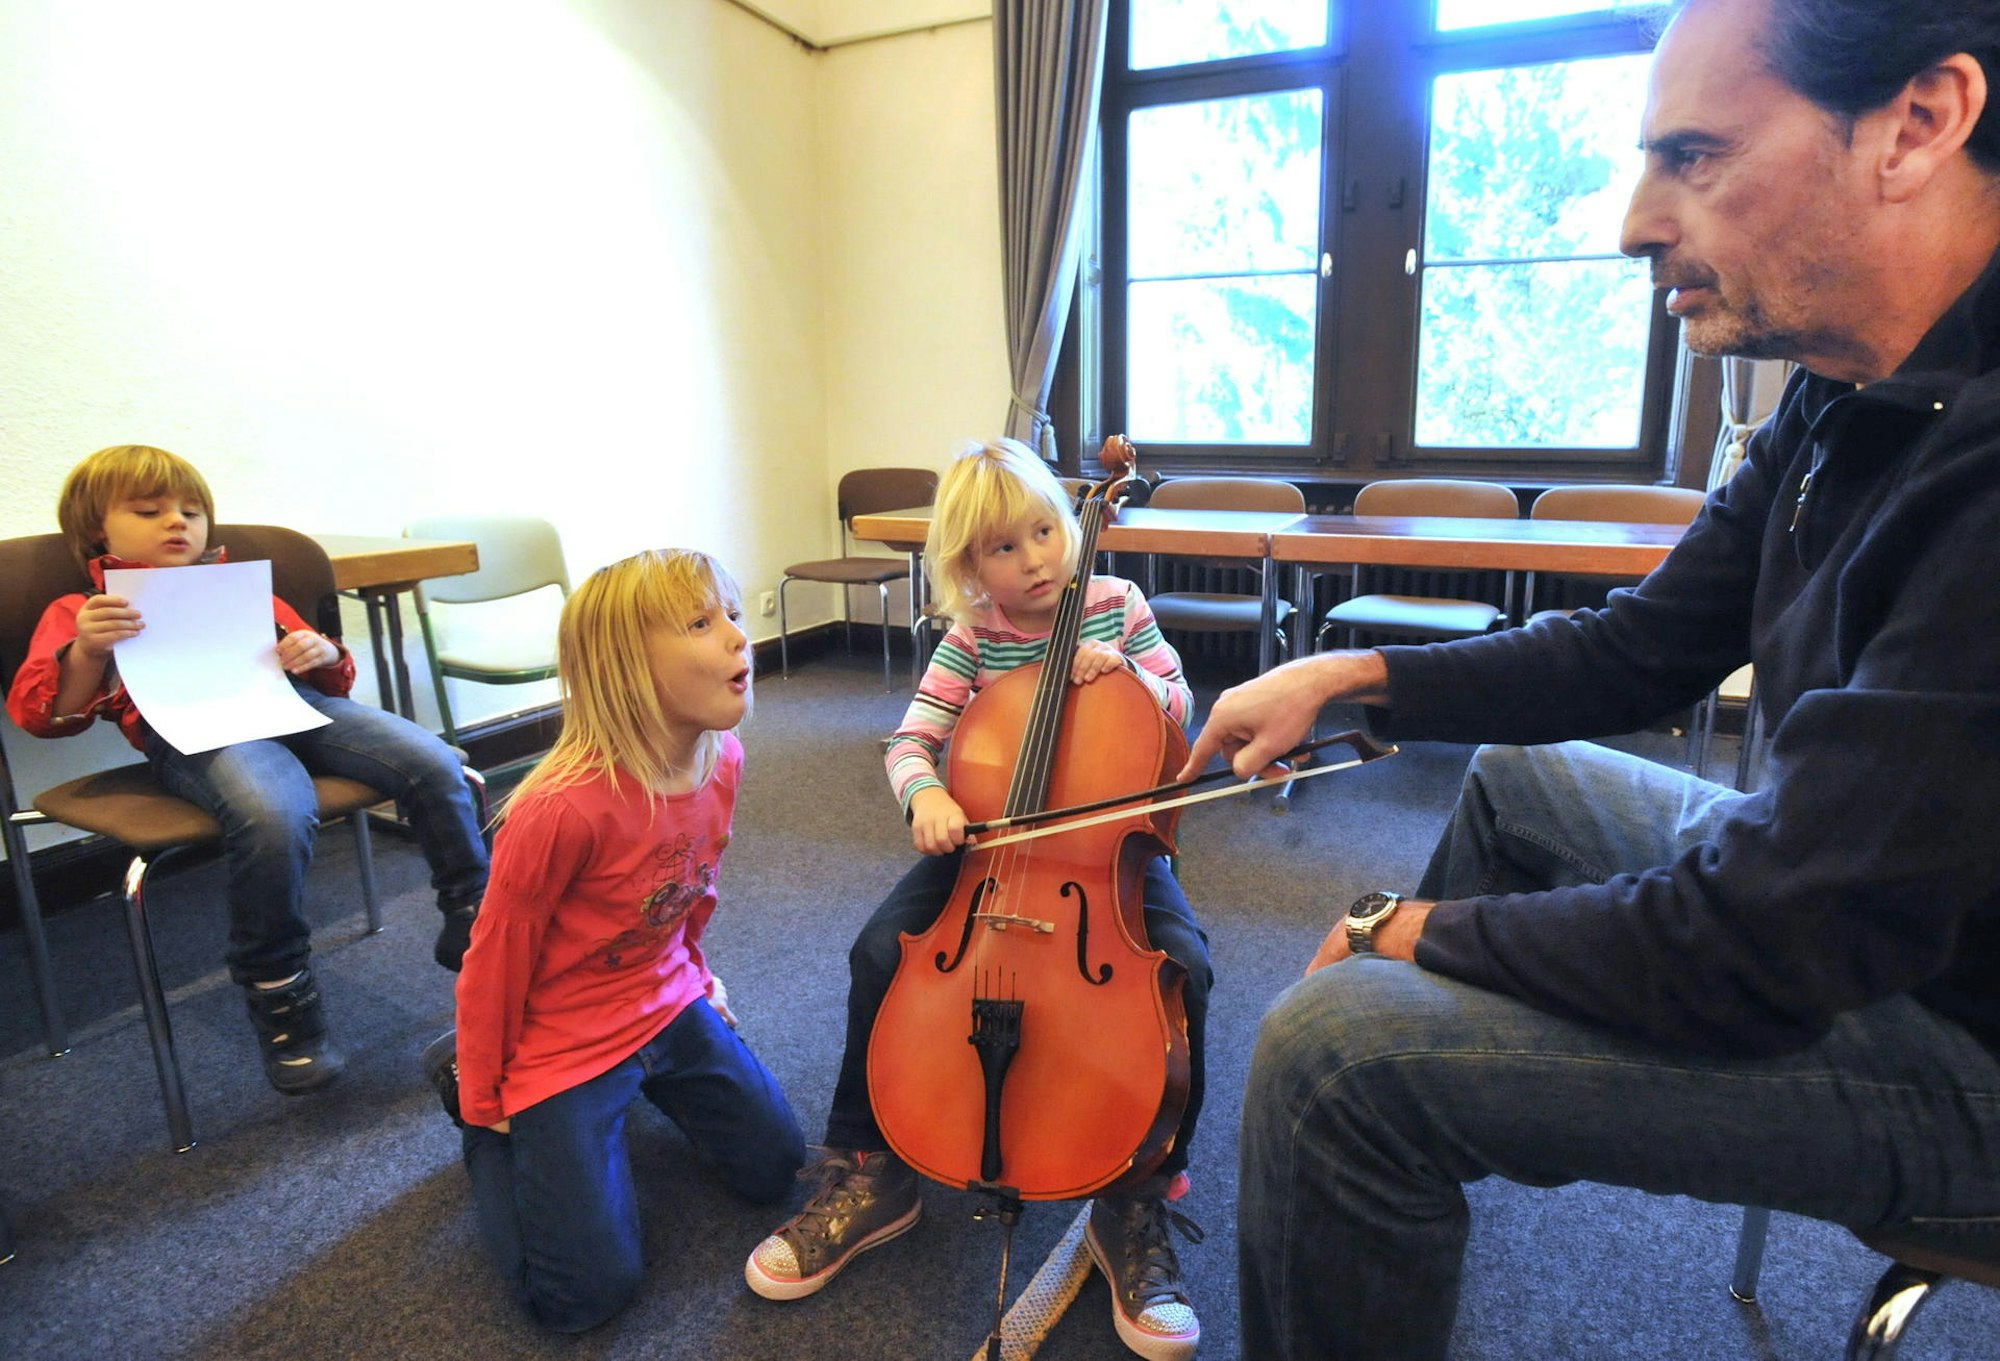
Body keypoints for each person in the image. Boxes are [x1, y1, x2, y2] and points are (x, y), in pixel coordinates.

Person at [1177, 1, 2000, 1355]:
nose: (1634, 220)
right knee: (1517, 785)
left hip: (1966, 1039)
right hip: (1859, 909)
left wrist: (1406, 930)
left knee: (1339, 1055)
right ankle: (1400, 1181)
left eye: (1695, 156)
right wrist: (1352, 671)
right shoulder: (1844, 390)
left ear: (1918, 124)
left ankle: (1383, 1119)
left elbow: (1768, 937)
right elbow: (1640, 649)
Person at [743, 438, 1213, 1361]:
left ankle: (1136, 1197)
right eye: (1005, 548)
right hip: (989, 850)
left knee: (1184, 969)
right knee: (880, 950)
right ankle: (873, 1165)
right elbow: (910, 739)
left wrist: (1126, 675)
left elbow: (1181, 703)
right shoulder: (972, 638)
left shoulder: (1118, 608)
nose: (1035, 558)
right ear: (966, 568)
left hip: (1103, 853)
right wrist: (927, 794)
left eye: (1045, 531)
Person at [6, 444, 490, 1094]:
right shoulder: (84, 608)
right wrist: (88, 649)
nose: (177, 522)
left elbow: (328, 677)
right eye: (150, 511)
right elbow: (46, 714)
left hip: (298, 706)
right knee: (273, 810)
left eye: (191, 510)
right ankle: (279, 985)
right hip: (195, 731)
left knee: (436, 760)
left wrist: (317, 649)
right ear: (97, 528)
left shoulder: (237, 588)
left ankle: (471, 909)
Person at [422, 547, 804, 1333]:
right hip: (559, 1038)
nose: (739, 636)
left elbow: (693, 890)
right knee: (583, 1298)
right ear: (627, 669)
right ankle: (470, 1094)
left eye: (732, 612)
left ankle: (607, 1101)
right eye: (703, 622)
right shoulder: (561, 807)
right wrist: (489, 1097)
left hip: (661, 999)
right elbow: (494, 960)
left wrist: (695, 974)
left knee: (775, 1165)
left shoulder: (720, 756)